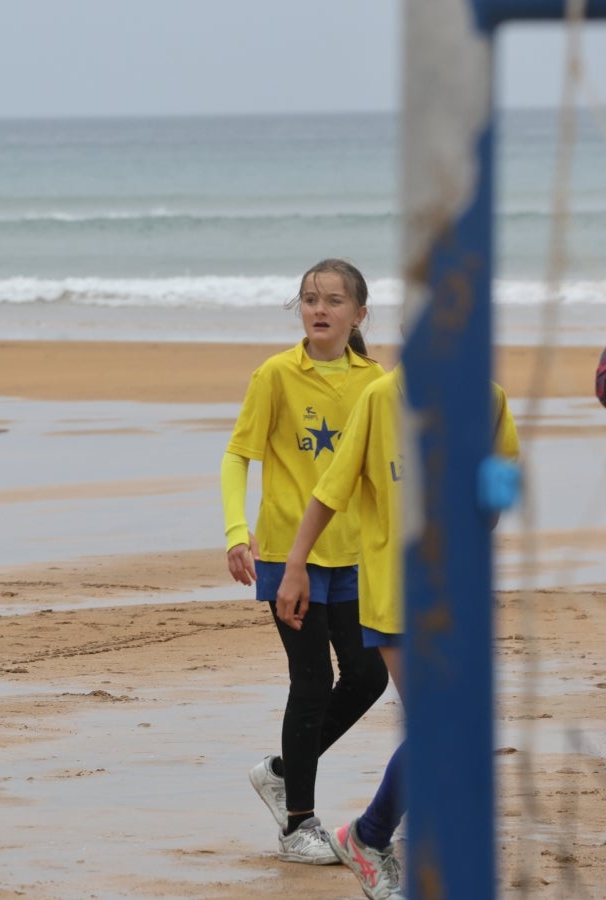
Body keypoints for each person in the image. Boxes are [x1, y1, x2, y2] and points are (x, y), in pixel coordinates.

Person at [276, 371, 519, 899]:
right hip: (395, 594)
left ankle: (380, 834)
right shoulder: (381, 398)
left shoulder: (489, 399)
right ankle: (371, 836)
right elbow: (331, 490)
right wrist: (296, 564)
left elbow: (501, 488)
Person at [221, 258, 390, 865]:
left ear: (359, 314)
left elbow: (382, 474)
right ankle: (299, 823)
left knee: (369, 677)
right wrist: (237, 531)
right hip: (286, 556)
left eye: (334, 300)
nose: (320, 309)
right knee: (313, 680)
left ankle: (283, 771)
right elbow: (237, 455)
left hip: (354, 557)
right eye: (310, 298)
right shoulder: (275, 375)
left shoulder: (374, 382)